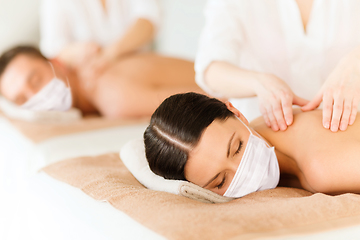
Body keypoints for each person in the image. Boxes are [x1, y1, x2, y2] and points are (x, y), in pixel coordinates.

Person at [144, 92, 360, 198]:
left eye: (237, 148)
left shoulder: (322, 167)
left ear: (237, 113)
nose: (244, 171)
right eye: (220, 182)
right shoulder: (259, 130)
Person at [195, 0, 360, 133]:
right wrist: (259, 83)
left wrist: (355, 62)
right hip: (267, 138)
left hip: (349, 130)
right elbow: (210, 69)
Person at [0, 46, 202, 118]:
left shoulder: (111, 95)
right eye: (22, 99)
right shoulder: (93, 102)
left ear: (56, 63)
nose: (37, 96)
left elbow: (215, 102)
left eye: (36, 80)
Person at [40, 0, 160, 81]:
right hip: (91, 79)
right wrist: (81, 51)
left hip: (139, 71)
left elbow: (149, 19)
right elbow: (53, 49)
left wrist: (109, 54)